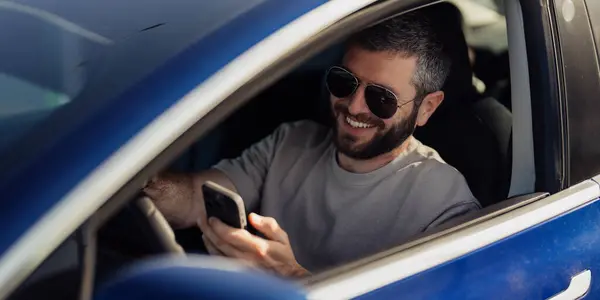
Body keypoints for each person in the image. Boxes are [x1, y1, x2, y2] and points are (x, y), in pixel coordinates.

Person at [143, 11, 481, 278]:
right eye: (344, 81)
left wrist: (291, 275)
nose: (354, 106)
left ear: (427, 108)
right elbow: (194, 199)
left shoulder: (445, 208)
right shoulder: (291, 141)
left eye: (381, 98)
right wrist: (143, 183)